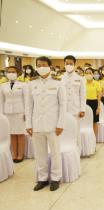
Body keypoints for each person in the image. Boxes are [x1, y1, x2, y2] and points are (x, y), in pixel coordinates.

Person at [25, 56, 66, 191]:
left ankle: (55, 178)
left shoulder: (58, 83)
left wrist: (60, 124)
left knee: (55, 152)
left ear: (50, 66)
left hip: (53, 124)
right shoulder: (32, 83)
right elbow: (29, 105)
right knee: (40, 153)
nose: (41, 67)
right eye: (38, 65)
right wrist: (28, 125)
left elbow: (63, 105)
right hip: (37, 124)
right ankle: (42, 178)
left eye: (43, 64)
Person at [0, 66, 27, 163]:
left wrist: (26, 112)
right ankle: (14, 153)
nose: (11, 73)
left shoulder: (23, 85)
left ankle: (21, 154)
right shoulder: (3, 86)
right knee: (11, 134)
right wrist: (1, 114)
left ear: (17, 73)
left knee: (20, 134)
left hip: (20, 112)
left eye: (13, 72)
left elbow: (26, 100)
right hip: (8, 113)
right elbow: (1, 101)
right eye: (9, 72)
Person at [61, 55, 86, 151]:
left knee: (75, 130)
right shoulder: (60, 78)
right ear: (64, 64)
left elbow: (83, 95)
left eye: (71, 63)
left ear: (74, 64)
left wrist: (82, 109)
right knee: (64, 130)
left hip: (75, 109)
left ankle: (77, 150)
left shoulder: (80, 78)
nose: (69, 65)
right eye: (67, 63)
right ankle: (66, 149)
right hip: (63, 109)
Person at [84, 68, 102, 136]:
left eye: (90, 73)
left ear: (93, 74)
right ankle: (87, 138)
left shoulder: (97, 83)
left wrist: (98, 107)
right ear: (84, 74)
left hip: (94, 102)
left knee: (94, 122)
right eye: (87, 73)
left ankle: (94, 138)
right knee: (86, 121)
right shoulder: (82, 83)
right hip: (85, 103)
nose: (88, 75)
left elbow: (99, 96)